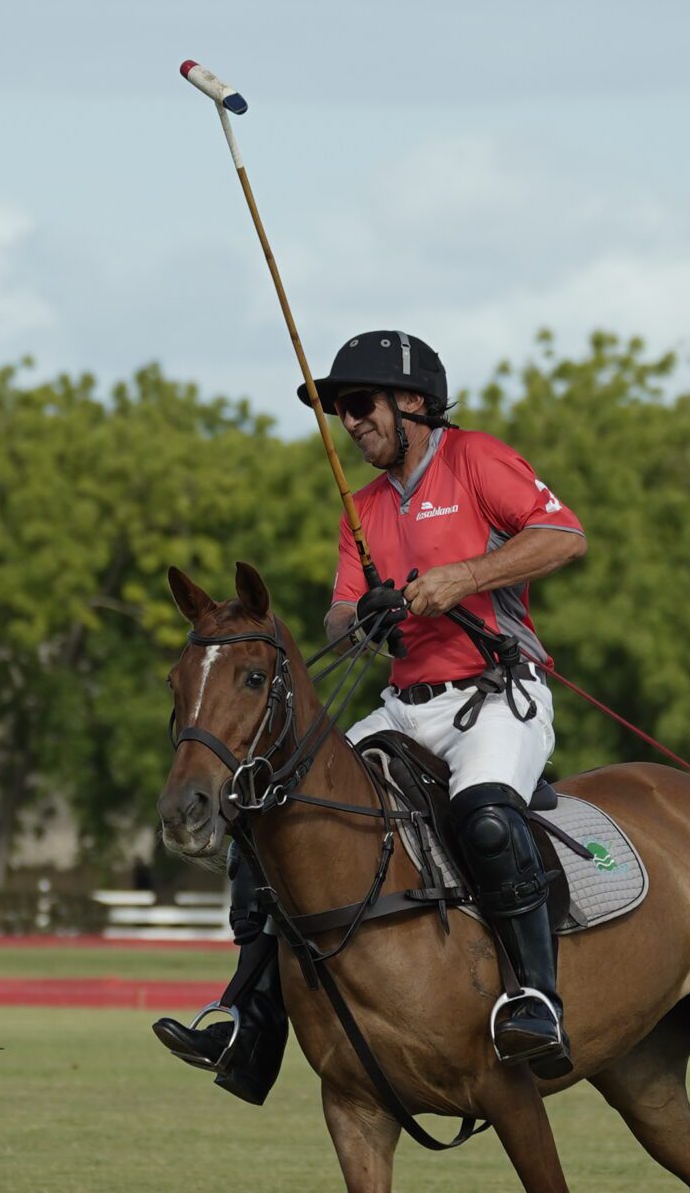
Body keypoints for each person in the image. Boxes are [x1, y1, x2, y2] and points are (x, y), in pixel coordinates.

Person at [154, 329, 588, 1099]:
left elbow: (563, 534)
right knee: (264, 816)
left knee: (486, 817)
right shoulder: (359, 508)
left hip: (496, 695)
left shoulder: (476, 459)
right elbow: (337, 616)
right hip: (404, 707)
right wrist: (366, 619)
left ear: (413, 402)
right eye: (341, 411)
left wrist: (463, 577)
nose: (349, 423)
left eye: (359, 405)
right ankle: (250, 1023)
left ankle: (538, 999)